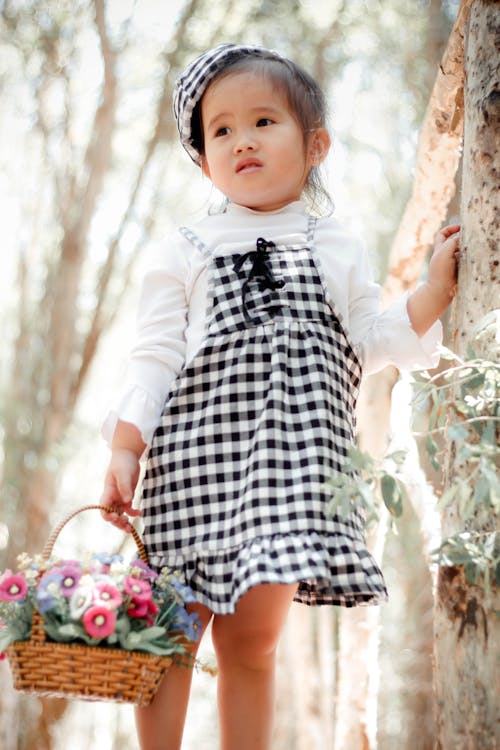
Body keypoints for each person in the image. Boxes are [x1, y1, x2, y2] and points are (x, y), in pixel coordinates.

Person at [100, 44, 460, 750]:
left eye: (264, 121)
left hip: (291, 472)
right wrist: (124, 445)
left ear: (315, 143)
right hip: (192, 466)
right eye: (222, 131)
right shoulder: (187, 247)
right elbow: (154, 355)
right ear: (204, 160)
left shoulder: (336, 244)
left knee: (253, 644)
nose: (243, 141)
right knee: (168, 631)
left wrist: (434, 292)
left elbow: (376, 336)